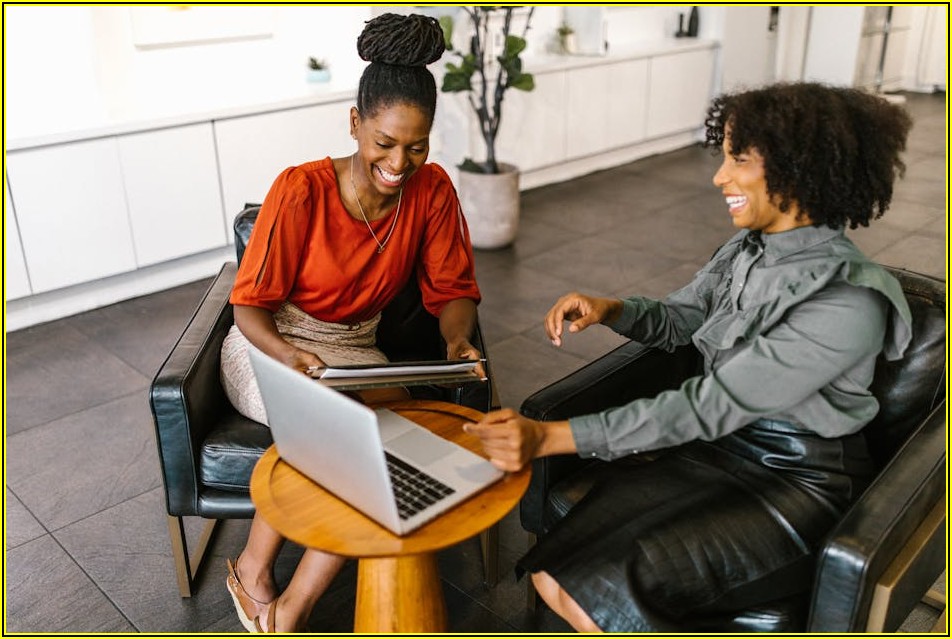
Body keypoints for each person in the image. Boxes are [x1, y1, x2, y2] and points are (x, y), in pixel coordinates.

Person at [466, 82, 914, 632]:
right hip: (719, 449)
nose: (719, 176)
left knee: (590, 598)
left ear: (799, 168)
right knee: (549, 575)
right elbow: (681, 321)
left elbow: (712, 403)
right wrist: (612, 309)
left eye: (738, 159)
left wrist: (550, 436)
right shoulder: (746, 250)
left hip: (796, 482)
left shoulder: (848, 298)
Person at [221, 13, 482, 633]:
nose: (400, 162)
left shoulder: (432, 189)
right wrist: (287, 356)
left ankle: (290, 606)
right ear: (355, 123)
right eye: (385, 143)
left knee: (402, 449)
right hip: (269, 344)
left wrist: (455, 336)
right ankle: (256, 576)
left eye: (417, 147)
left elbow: (454, 289)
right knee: (335, 438)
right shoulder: (300, 189)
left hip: (353, 350)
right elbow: (249, 305)